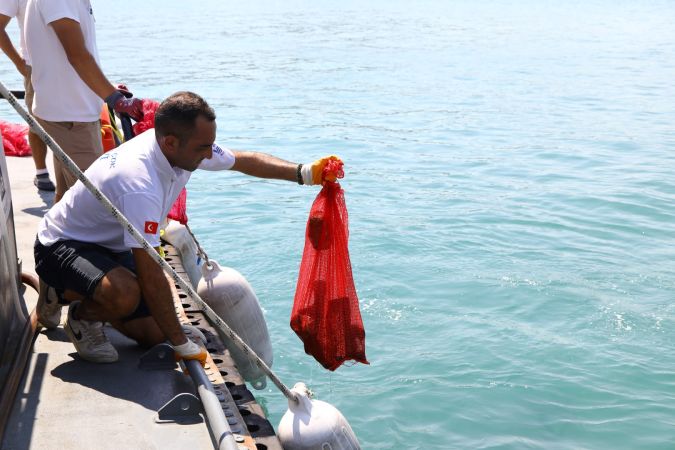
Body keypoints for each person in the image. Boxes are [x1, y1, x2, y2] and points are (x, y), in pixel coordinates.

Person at [34, 91, 342, 364]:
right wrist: (180, 343)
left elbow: (245, 161)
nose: (210, 154)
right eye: (203, 148)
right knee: (126, 295)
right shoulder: (139, 183)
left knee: (155, 334)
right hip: (62, 244)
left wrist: (304, 173)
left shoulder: (181, 147)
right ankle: (78, 312)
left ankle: (78, 292)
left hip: (109, 244)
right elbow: (152, 272)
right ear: (170, 142)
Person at [24, 0, 143, 203]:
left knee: (65, 201)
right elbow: (77, 55)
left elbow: (77, 54)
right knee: (95, 206)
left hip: (67, 114)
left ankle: (51, 235)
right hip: (72, 120)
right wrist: (116, 100)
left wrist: (106, 89)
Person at [0, 0, 55, 191]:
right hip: (36, 66)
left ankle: (68, 172)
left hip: (71, 65)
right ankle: (41, 172)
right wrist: (20, 64)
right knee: (37, 121)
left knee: (70, 122)